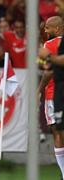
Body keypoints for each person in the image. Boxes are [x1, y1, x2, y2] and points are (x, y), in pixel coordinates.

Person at [38, 16, 64, 180]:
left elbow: (46, 70)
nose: (46, 31)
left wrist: (38, 90)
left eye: (48, 28)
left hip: (54, 95)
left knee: (57, 134)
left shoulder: (48, 46)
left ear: (58, 28)